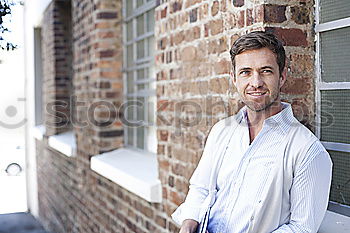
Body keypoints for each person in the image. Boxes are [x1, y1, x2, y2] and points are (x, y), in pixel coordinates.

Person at [172, 31, 332, 233]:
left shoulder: (307, 150)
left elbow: (302, 228)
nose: (255, 82)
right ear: (234, 78)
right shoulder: (221, 131)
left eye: (265, 71)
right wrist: (189, 223)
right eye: (245, 72)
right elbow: (200, 188)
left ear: (282, 76)